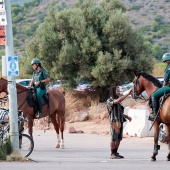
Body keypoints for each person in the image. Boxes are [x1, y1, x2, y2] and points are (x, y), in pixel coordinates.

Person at [107, 86, 132, 159]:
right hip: (114, 121)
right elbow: (117, 101)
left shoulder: (118, 102)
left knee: (119, 138)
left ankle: (115, 152)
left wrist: (127, 117)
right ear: (113, 91)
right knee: (113, 138)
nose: (119, 92)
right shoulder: (110, 100)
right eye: (117, 91)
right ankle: (112, 154)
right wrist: (127, 94)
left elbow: (120, 112)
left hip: (120, 120)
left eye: (119, 90)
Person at [149, 53, 170, 121]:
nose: (165, 63)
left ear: (167, 61)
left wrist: (163, 86)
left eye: (165, 62)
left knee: (154, 95)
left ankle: (155, 115)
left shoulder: (168, 68)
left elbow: (166, 80)